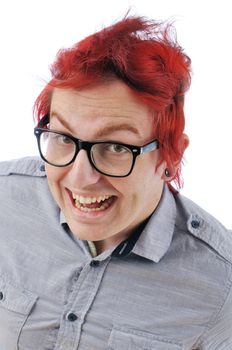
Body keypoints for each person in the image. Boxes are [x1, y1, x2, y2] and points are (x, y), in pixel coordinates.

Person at [0, 15, 231, 350]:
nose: (80, 177)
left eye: (116, 147)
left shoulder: (221, 286)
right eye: (63, 138)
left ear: (171, 157)